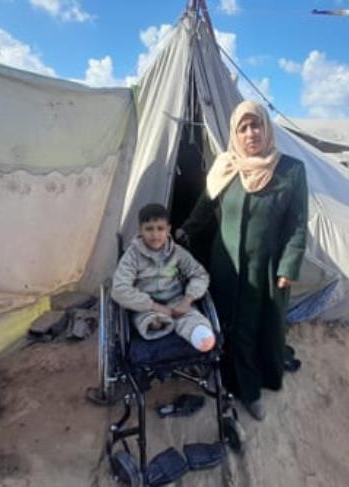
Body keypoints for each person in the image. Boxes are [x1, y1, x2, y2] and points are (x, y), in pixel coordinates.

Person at [178, 100, 308, 421]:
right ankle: (225, 376)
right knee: (225, 325)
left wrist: (288, 267)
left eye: (257, 125)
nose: (251, 133)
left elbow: (298, 223)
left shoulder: (290, 170)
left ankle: (249, 391)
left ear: (267, 127)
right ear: (235, 133)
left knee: (253, 328)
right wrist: (182, 232)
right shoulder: (226, 167)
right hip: (226, 267)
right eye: (243, 127)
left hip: (264, 270)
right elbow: (204, 208)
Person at [111, 203, 216, 352]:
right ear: (141, 230)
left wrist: (187, 300)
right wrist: (155, 307)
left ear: (168, 230)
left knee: (195, 323)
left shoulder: (178, 253)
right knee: (150, 322)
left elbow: (199, 274)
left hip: (176, 302)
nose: (155, 235)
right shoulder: (132, 256)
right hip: (146, 306)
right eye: (149, 229)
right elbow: (119, 290)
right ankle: (160, 324)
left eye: (160, 229)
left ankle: (196, 331)